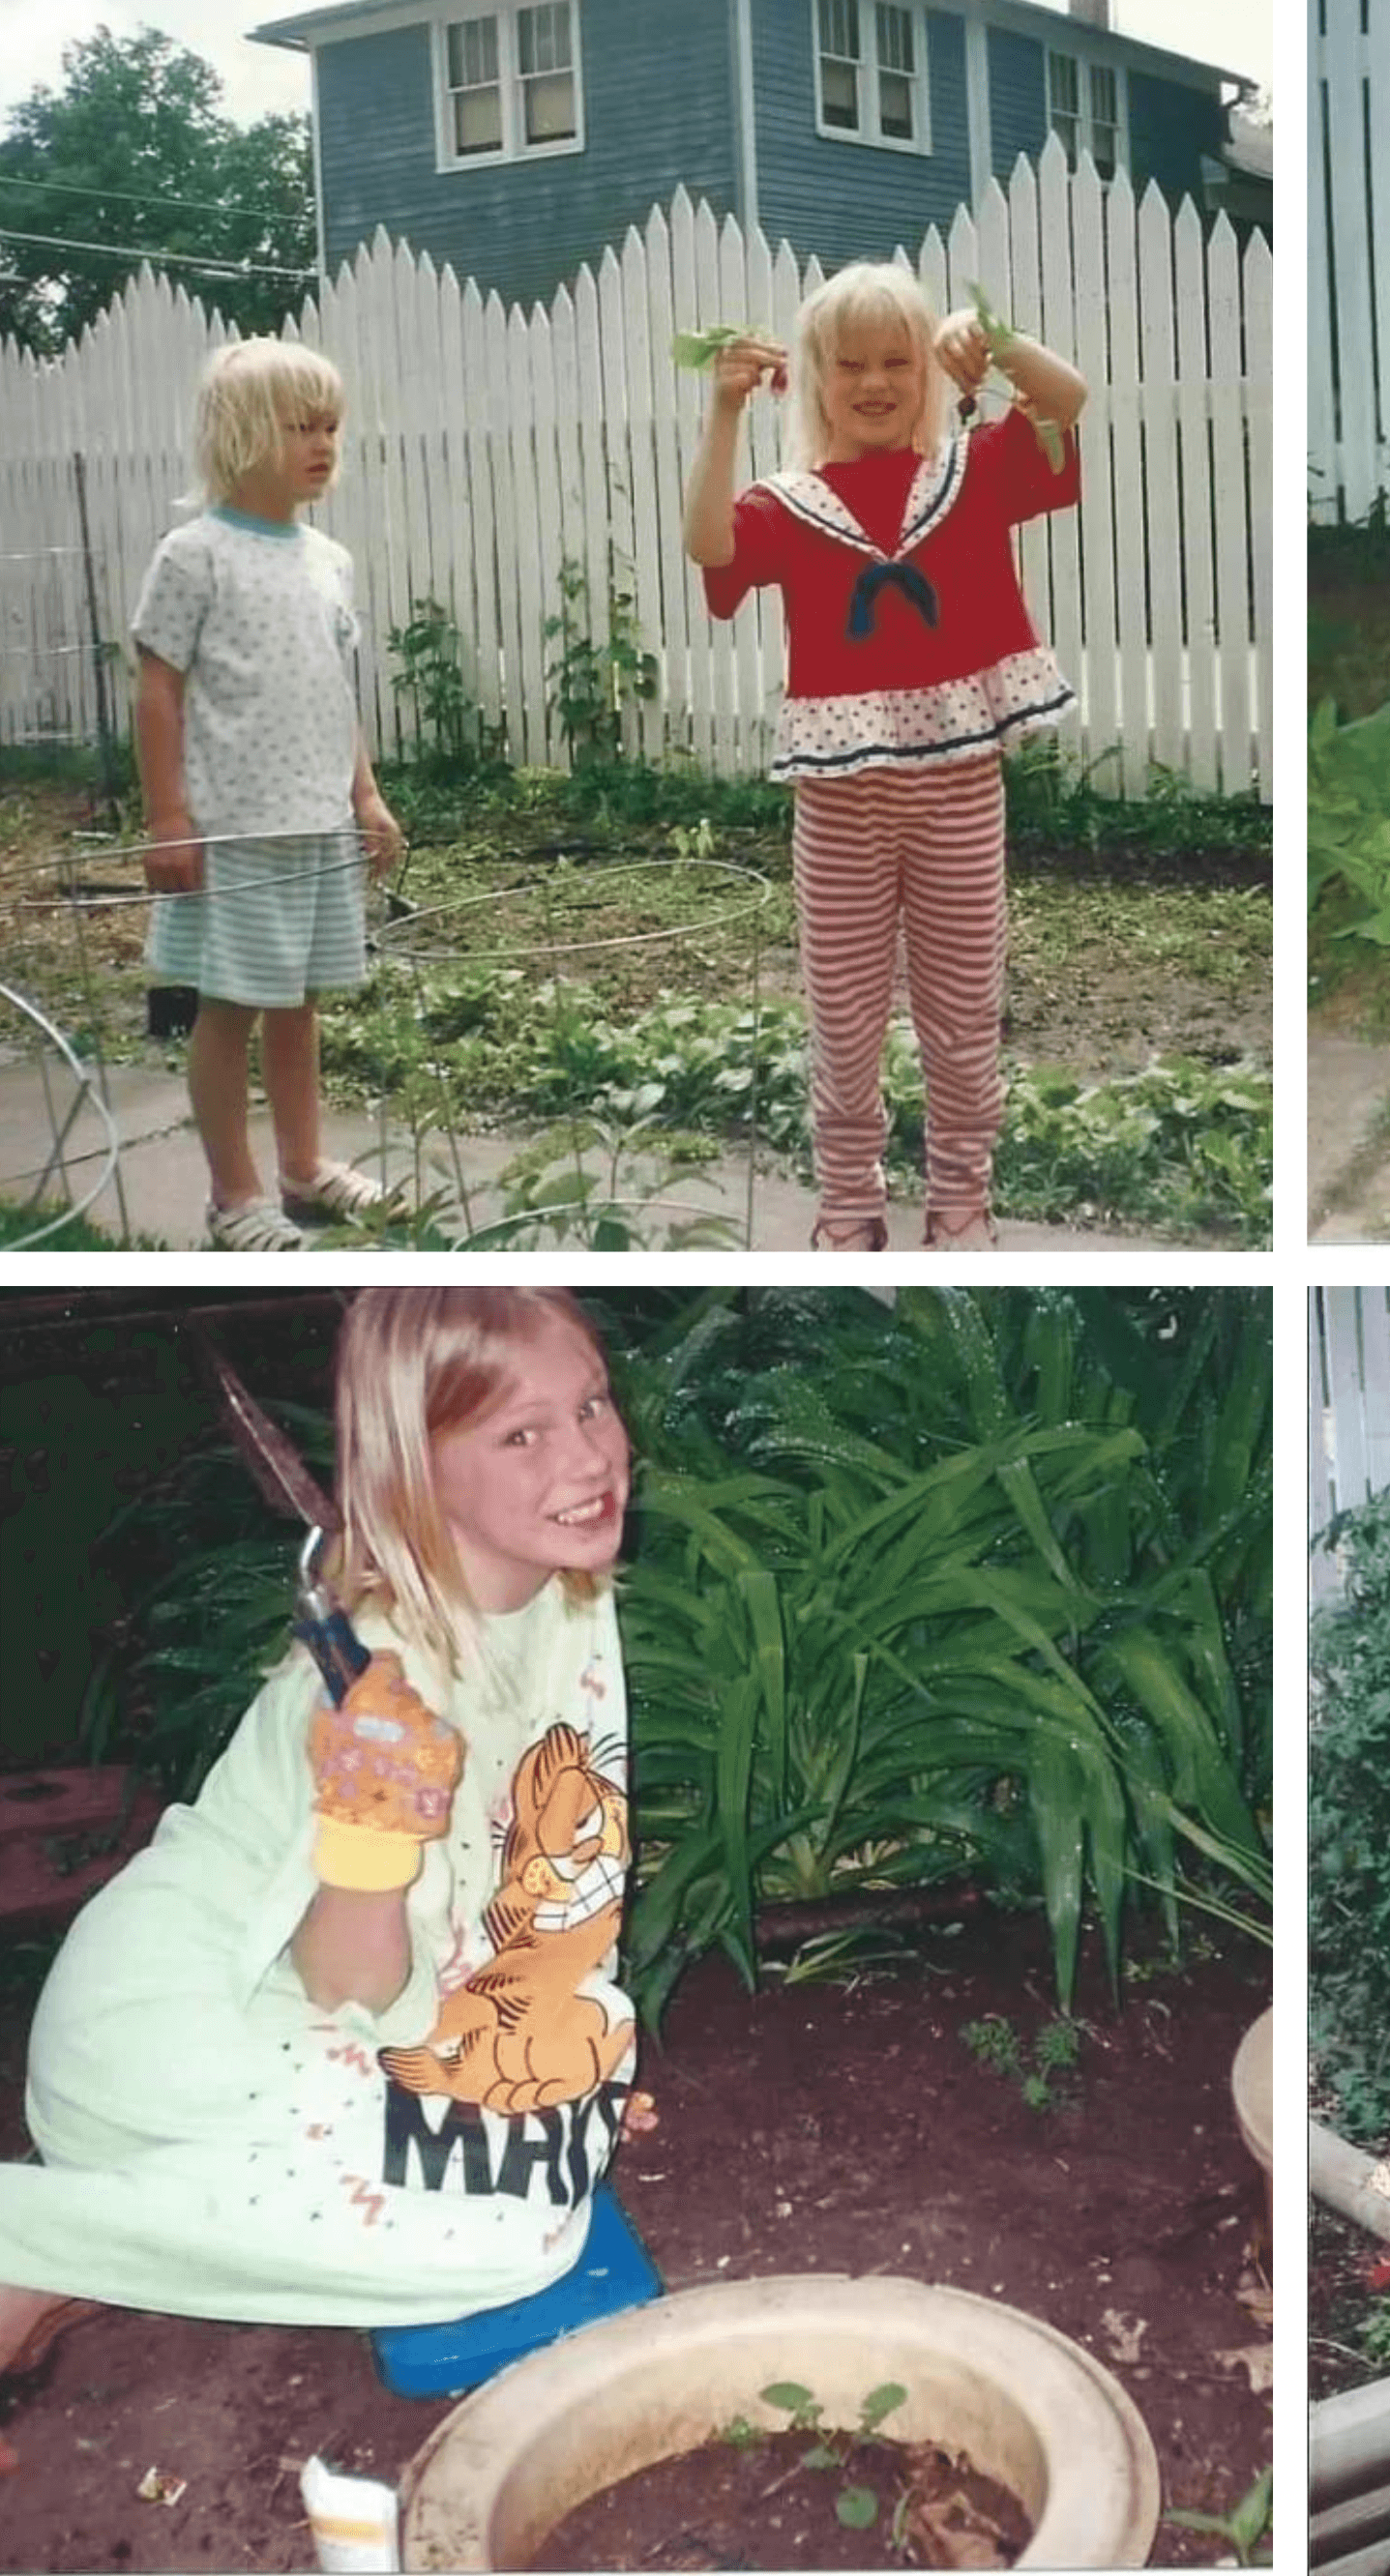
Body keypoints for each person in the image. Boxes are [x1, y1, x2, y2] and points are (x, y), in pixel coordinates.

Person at [0, 1288, 649, 2469]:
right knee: (518, 2232)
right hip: (180, 2023)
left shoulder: (560, 1588)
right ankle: (31, 2239)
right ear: (417, 1467)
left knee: (582, 2052)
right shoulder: (391, 1675)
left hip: (311, 2007)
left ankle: (105, 2254)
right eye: (522, 1433)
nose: (590, 1456)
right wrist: (368, 1833)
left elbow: (546, 1875)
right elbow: (345, 1984)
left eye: (592, 1405)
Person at [684, 262, 1087, 1250]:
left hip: (958, 791)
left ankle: (960, 1199)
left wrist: (995, 345)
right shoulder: (790, 504)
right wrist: (724, 412)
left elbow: (1068, 400)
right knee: (845, 1013)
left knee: (962, 1008)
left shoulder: (972, 471)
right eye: (851, 365)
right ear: (814, 380)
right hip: (841, 803)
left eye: (897, 362)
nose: (875, 383)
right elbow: (708, 548)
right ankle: (850, 1204)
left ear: (924, 370)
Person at [133, 337, 406, 1253]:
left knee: (300, 1005)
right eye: (301, 427)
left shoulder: (328, 559)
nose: (324, 443)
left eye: (331, 426)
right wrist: (168, 819)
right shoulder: (193, 556)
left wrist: (364, 796)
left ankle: (303, 1167)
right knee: (231, 1008)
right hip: (235, 833)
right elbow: (158, 689)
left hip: (317, 824)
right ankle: (233, 1196)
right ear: (242, 435)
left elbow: (335, 689)